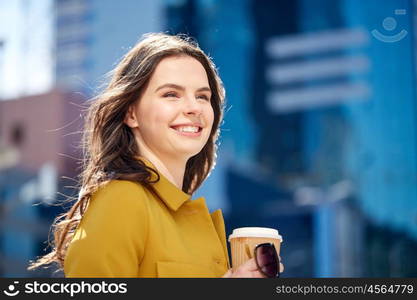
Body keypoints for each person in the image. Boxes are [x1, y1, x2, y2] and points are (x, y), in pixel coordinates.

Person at [29, 33, 282, 278]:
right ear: (131, 114)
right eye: (171, 94)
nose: (194, 107)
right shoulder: (121, 201)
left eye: (203, 96)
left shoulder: (185, 219)